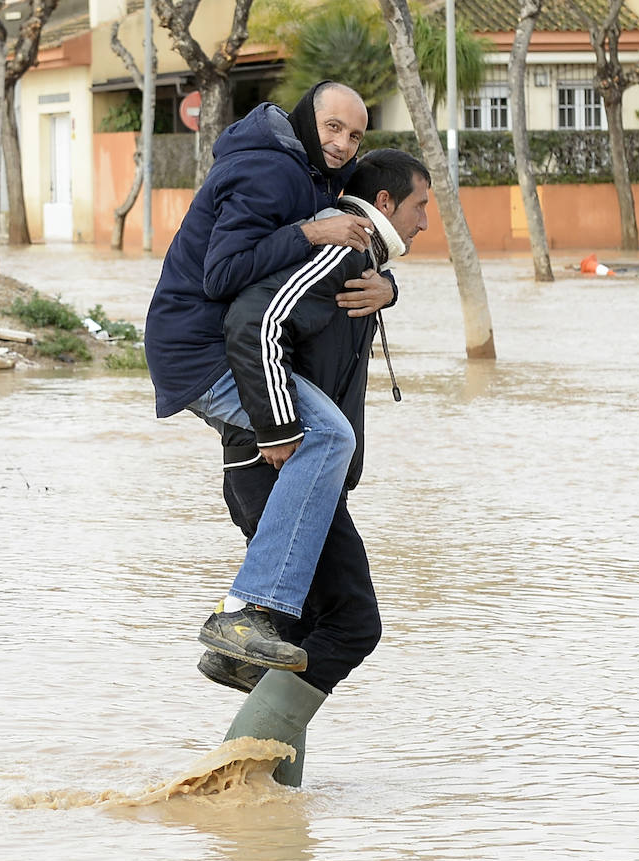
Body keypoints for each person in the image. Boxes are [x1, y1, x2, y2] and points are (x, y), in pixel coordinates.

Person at [144, 81, 395, 671]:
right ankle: (248, 612)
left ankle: (248, 639)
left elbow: (324, 276)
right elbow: (222, 275)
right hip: (202, 349)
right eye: (333, 128)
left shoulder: (314, 174)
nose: (342, 144)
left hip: (228, 348)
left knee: (327, 438)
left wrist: (388, 289)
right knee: (329, 436)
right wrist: (312, 231)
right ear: (309, 118)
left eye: (355, 135)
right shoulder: (270, 171)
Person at [207, 148, 433, 786]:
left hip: (287, 469)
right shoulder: (340, 251)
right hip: (279, 463)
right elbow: (253, 323)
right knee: (353, 620)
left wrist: (391, 288)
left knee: (310, 630)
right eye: (420, 207)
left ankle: (269, 801)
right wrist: (281, 427)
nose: (424, 223)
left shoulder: (362, 262)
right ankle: (237, 778)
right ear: (384, 204)